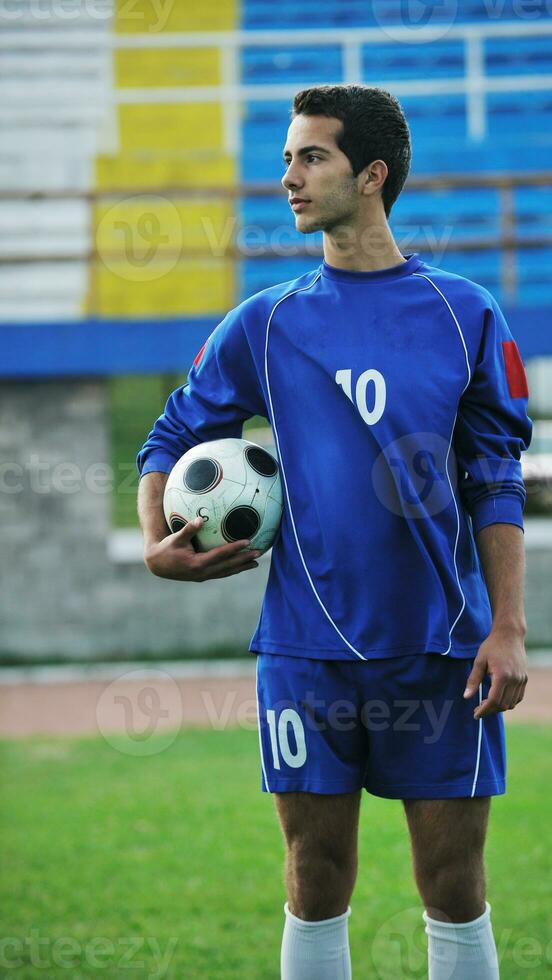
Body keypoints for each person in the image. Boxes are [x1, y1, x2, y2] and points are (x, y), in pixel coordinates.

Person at [136, 84, 532, 980]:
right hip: (305, 655)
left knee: (454, 882)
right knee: (315, 879)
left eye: (311, 157)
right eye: (286, 159)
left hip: (441, 653)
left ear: (373, 174)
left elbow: (495, 481)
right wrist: (158, 542)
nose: (289, 178)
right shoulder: (266, 322)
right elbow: (165, 438)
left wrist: (507, 628)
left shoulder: (463, 313)